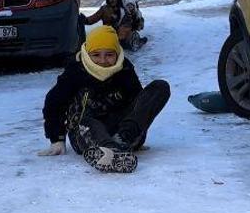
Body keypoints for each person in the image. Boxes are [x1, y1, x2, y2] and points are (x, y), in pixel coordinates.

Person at [37, 25, 171, 173]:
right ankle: (109, 150)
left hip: (121, 129)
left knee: (160, 86)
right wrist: (57, 139)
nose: (103, 60)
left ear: (117, 53)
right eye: (96, 55)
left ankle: (122, 140)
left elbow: (138, 102)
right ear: (87, 53)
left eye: (109, 54)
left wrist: (134, 127)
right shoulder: (76, 71)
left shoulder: (124, 68)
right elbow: (54, 103)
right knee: (88, 122)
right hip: (85, 132)